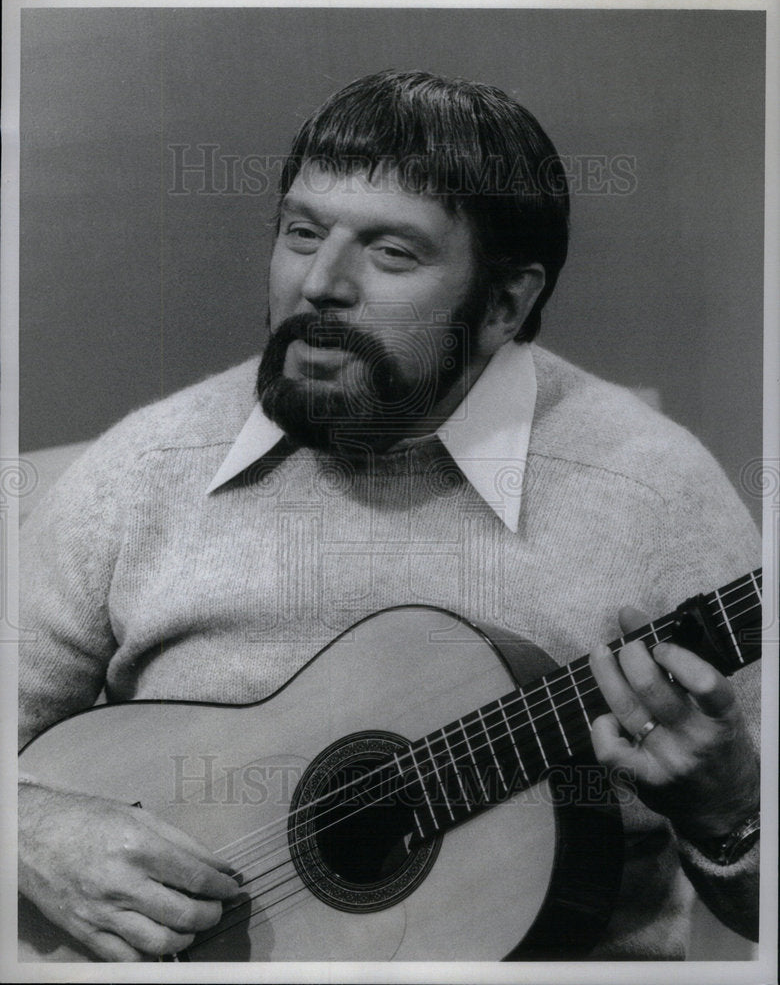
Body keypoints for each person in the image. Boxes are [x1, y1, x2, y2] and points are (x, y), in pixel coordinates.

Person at [18, 70, 760, 962]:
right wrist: (30, 831)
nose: (320, 284)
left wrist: (729, 815)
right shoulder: (144, 469)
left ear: (505, 304)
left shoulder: (656, 495)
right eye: (301, 234)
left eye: (392, 253)